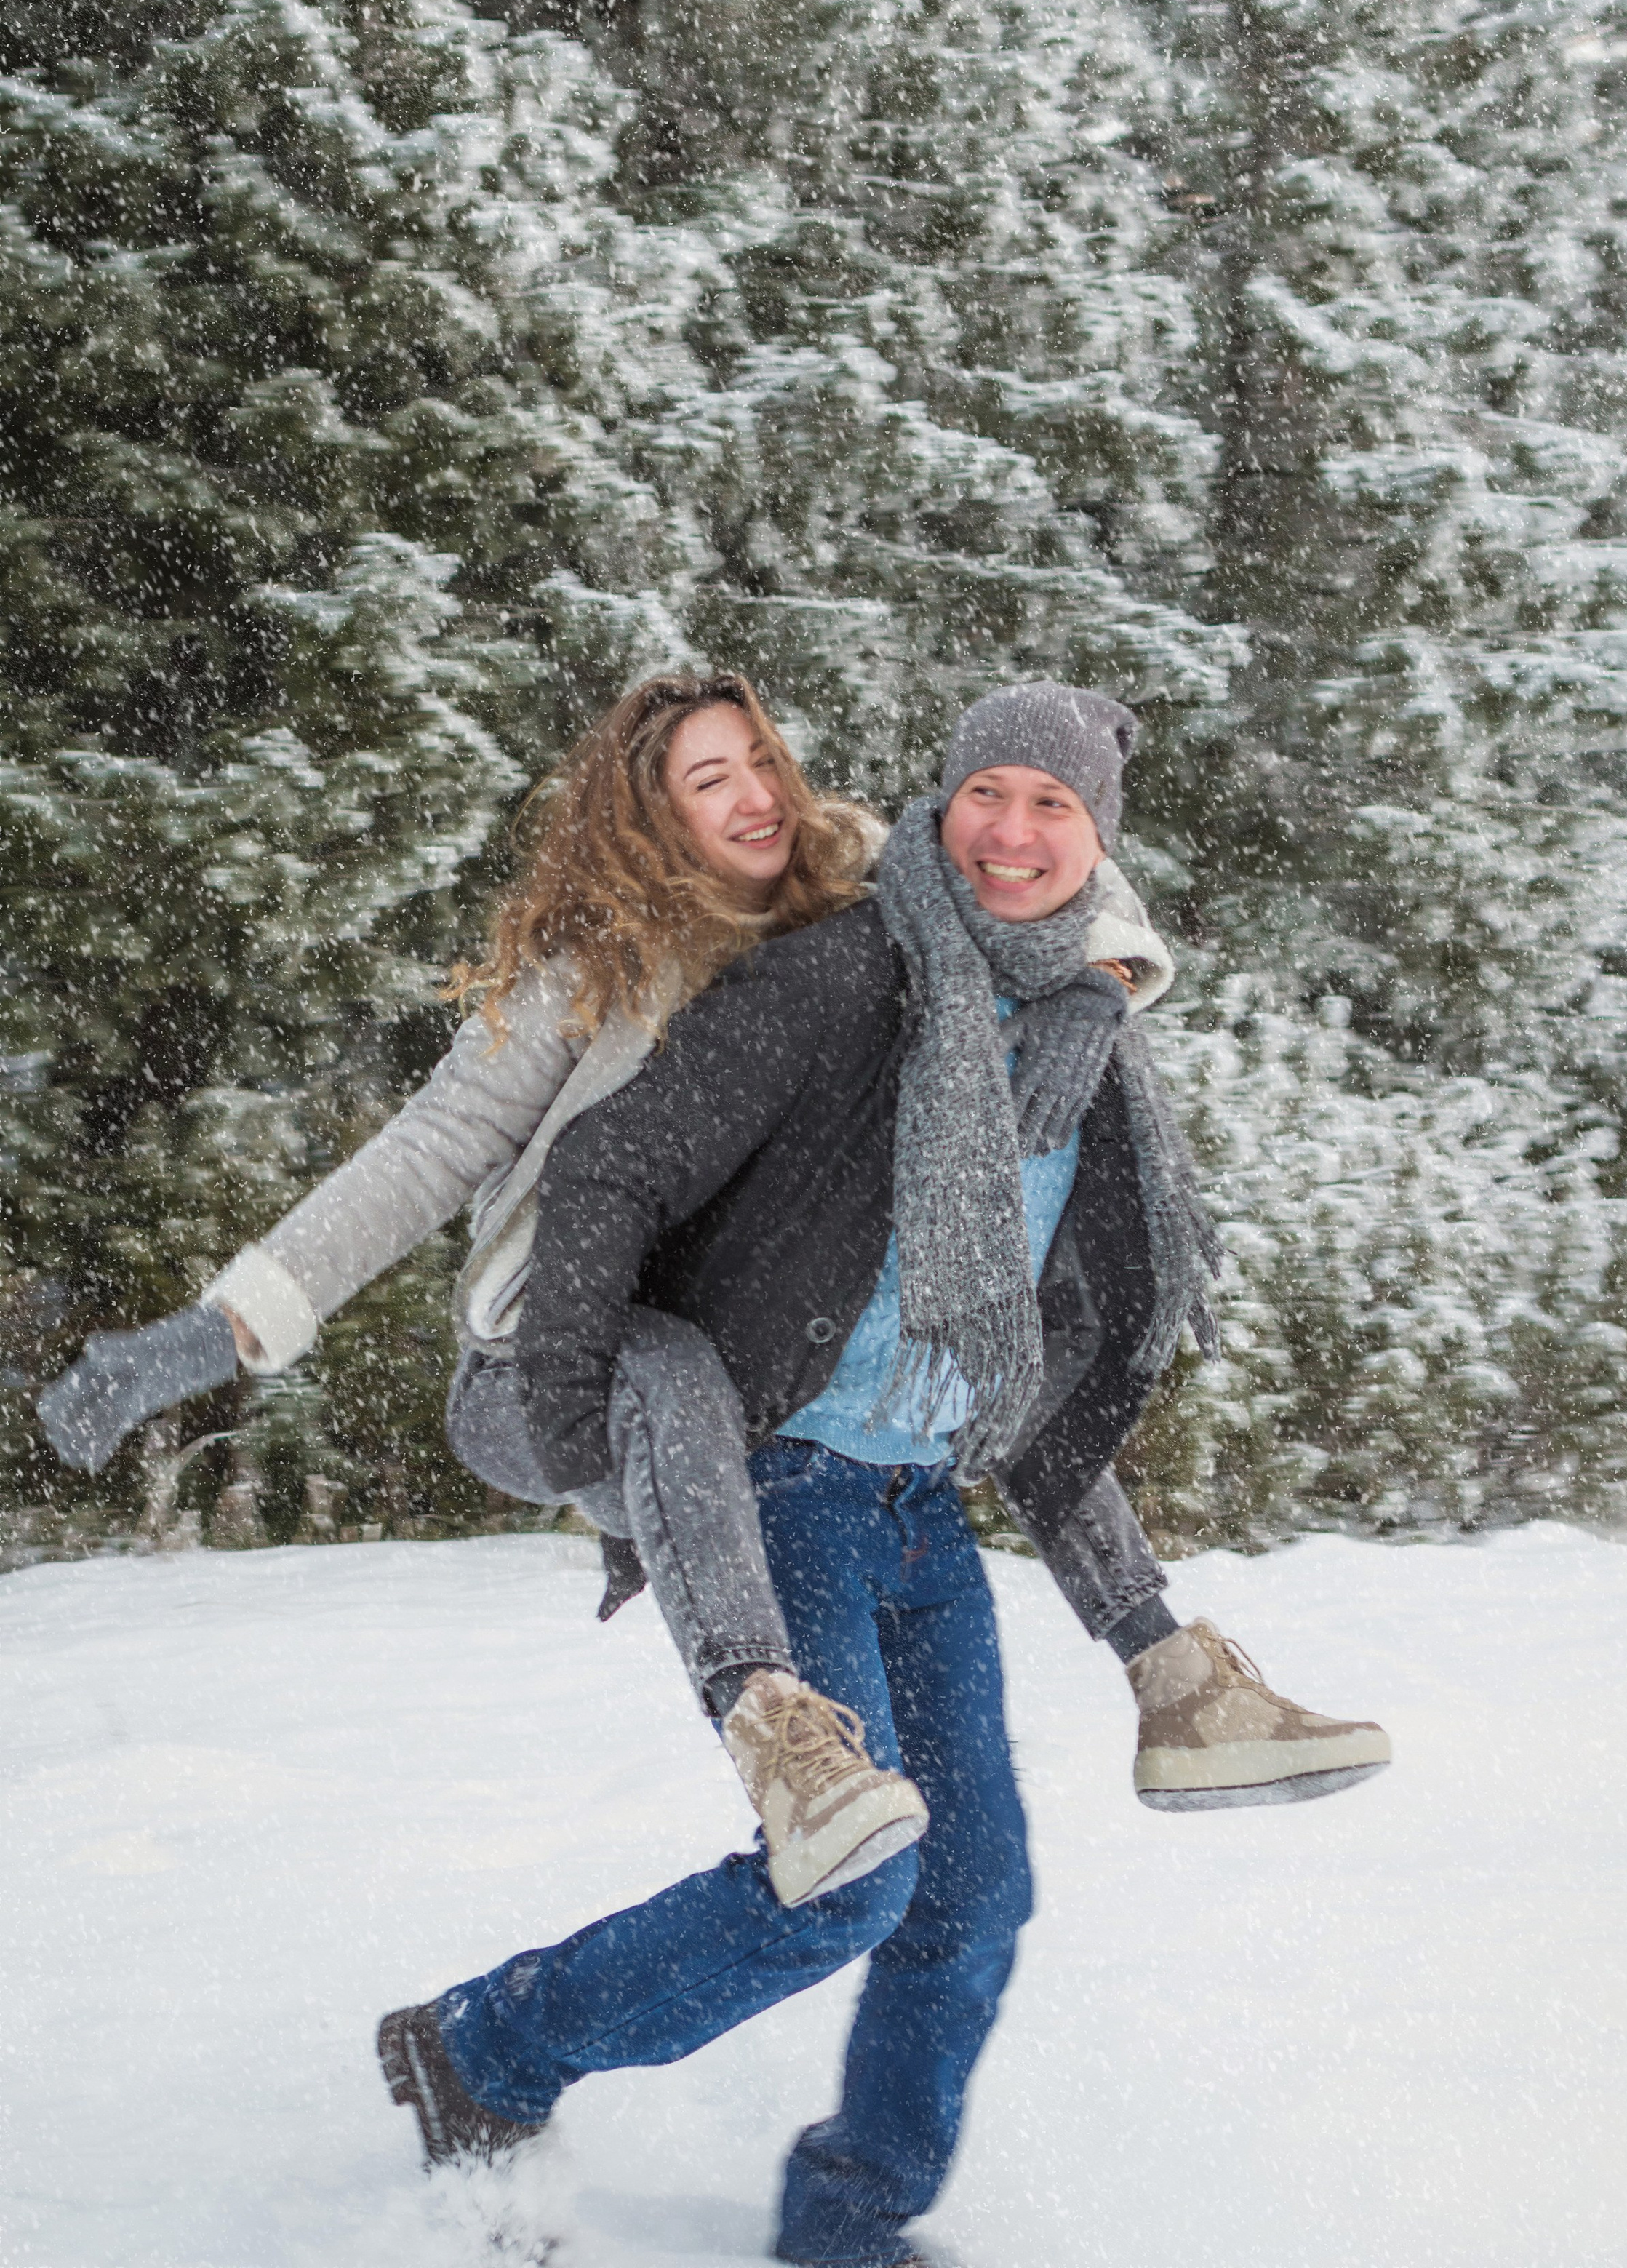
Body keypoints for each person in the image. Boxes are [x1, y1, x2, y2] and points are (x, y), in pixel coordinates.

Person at [374, 683, 1390, 2268]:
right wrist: (582, 1408)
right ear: (943, 802)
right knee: (845, 1880)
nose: (1012, 832)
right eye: (989, 793)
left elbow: (1035, 1358)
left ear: (1095, 837)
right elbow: (614, 1167)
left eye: (1052, 807)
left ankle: (850, 2219)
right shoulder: (845, 971)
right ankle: (488, 2048)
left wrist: (1147, 1628)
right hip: (778, 1485)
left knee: (970, 1905)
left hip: (925, 1508)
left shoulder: (1089, 1041)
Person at [39, 676, 1388, 1852]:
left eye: (764, 764)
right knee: (669, 1368)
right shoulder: (596, 972)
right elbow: (422, 1157)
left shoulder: (859, 889)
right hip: (561, 1354)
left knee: (1000, 1322)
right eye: (708, 779)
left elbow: (1033, 859)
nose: (755, 799)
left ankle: (1170, 1668)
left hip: (744, 1347)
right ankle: (774, 1735)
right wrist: (224, 1328)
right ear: (647, 814)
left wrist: (1100, 986)